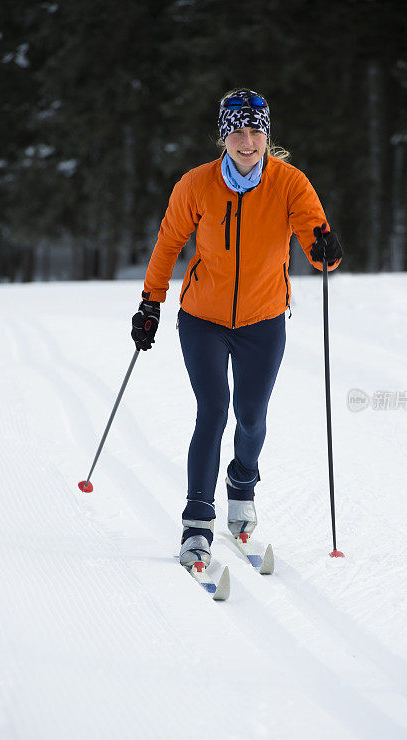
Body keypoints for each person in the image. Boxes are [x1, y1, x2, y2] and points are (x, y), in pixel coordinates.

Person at [131, 88, 342, 569]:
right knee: (213, 410)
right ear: (224, 137)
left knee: (251, 416)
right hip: (202, 318)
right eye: (238, 133)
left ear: (267, 133)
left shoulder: (290, 183)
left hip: (263, 321)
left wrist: (325, 250)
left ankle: (242, 487)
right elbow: (168, 245)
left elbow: (315, 236)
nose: (248, 142)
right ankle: (196, 524)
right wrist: (151, 303)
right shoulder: (197, 184)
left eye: (256, 131)